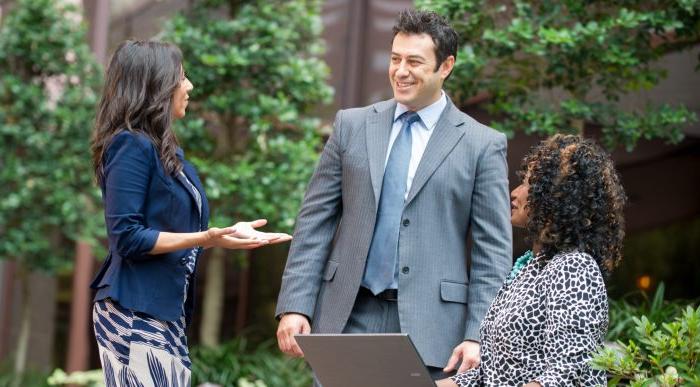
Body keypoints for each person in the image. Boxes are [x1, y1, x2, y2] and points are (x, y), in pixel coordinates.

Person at [275, 9, 512, 379]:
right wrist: (295, 305)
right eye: (395, 58)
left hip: (434, 330)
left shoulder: (482, 144)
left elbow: (492, 251)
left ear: (445, 66)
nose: (400, 71)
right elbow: (314, 223)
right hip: (347, 316)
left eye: (414, 61)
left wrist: (479, 333)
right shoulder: (350, 126)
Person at [89, 40, 291, 386]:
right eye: (181, 77)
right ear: (155, 85)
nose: (189, 86)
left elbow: (170, 232)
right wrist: (204, 238)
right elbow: (127, 237)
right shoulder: (130, 145)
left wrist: (221, 237)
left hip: (165, 310)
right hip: (134, 309)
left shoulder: (164, 151)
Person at [437, 134, 627, 386]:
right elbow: (492, 375)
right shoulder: (530, 267)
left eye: (528, 184)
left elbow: (567, 374)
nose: (514, 193)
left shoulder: (574, 268)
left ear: (556, 198)